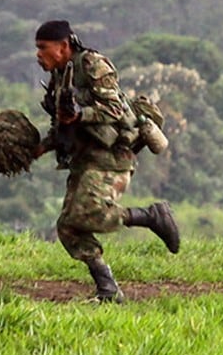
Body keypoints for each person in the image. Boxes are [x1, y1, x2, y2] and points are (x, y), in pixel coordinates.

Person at [33, 20, 180, 303]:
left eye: (43, 48)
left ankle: (151, 216)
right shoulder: (60, 75)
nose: (38, 55)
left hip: (111, 156)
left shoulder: (92, 64)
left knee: (89, 213)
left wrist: (80, 116)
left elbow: (115, 108)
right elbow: (63, 122)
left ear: (63, 46)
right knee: (69, 227)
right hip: (85, 158)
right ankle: (108, 289)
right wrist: (41, 147)